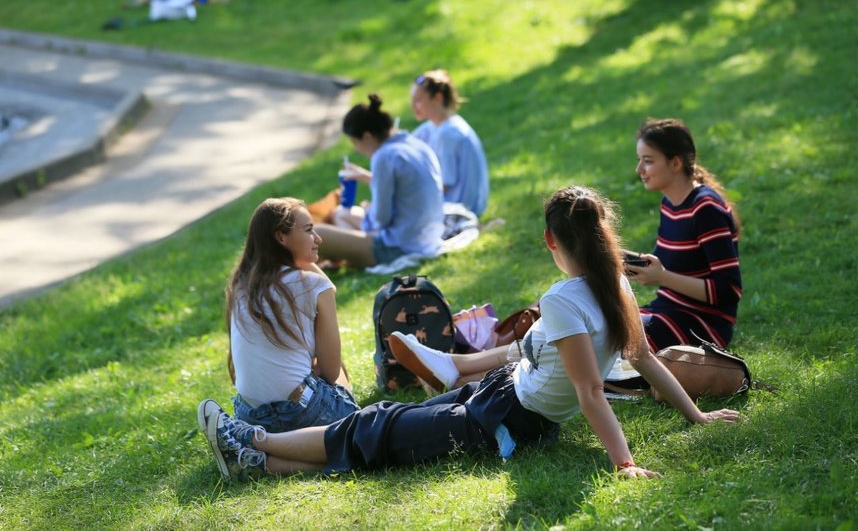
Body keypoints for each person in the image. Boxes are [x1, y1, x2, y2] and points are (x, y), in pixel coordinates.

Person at [198, 185, 741, 481]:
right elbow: (643, 359)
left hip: (505, 421)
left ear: (551, 242)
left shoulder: (563, 299)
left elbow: (592, 392)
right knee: (381, 423)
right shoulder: (617, 284)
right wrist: (696, 413)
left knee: (376, 430)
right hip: (506, 393)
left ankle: (253, 442)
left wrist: (623, 464)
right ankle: (256, 460)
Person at [206, 197, 359, 460]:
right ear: (281, 237)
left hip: (251, 415)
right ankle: (299, 447)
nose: (318, 239)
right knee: (349, 404)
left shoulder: (241, 286)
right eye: (309, 230)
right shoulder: (314, 285)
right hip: (301, 411)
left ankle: (260, 452)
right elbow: (332, 371)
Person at [624, 118, 742, 352]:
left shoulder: (706, 210)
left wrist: (662, 277)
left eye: (647, 161)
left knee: (620, 340)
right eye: (639, 161)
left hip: (703, 324)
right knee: (600, 321)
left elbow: (729, 290)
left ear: (675, 163)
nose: (639, 170)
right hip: (667, 310)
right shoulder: (669, 203)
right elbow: (669, 263)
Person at [314, 94, 445, 268]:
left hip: (399, 246)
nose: (356, 149)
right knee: (341, 214)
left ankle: (337, 261)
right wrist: (366, 178)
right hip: (428, 236)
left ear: (367, 136)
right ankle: (341, 258)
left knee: (316, 233)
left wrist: (370, 211)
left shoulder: (383, 156)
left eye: (355, 142)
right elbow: (407, 187)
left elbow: (381, 219)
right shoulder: (413, 143)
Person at [409, 70, 489, 217]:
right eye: (412, 100)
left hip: (460, 211)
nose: (413, 106)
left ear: (438, 98)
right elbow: (405, 146)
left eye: (418, 100)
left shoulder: (449, 134)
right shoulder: (434, 126)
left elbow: (442, 186)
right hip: (456, 206)